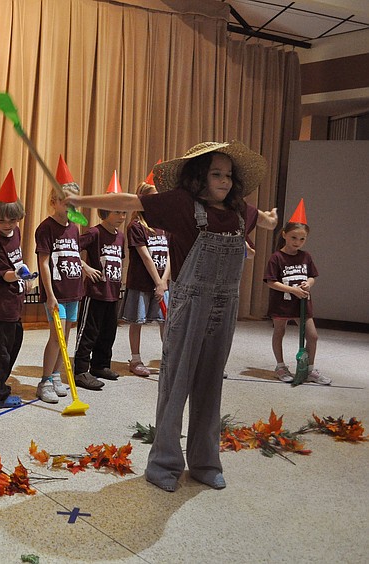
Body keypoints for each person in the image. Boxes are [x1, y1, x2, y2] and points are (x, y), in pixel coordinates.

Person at [66, 141, 278, 492]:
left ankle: (205, 462)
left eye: (228, 175)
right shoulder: (182, 205)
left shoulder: (241, 211)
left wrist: (270, 219)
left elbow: (265, 220)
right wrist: (81, 201)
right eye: (215, 174)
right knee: (176, 383)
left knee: (211, 385)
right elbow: (129, 203)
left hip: (225, 309)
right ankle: (164, 463)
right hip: (189, 305)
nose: (224, 181)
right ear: (199, 177)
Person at [34, 156, 97, 404]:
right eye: (65, 202)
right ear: (54, 202)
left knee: (67, 336)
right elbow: (44, 262)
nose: (70, 208)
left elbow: (70, 253)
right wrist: (49, 295)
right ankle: (45, 381)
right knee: (55, 336)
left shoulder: (73, 227)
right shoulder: (46, 228)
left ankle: (57, 375)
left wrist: (84, 266)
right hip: (56, 292)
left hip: (74, 291)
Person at [0, 169, 35, 409]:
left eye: (11, 220)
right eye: (1, 220)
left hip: (15, 298)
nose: (6, 224)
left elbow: (17, 259)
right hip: (3, 303)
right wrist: (19, 274)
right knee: (2, 349)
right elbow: (3, 273)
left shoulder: (16, 232)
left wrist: (26, 274)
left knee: (15, 340)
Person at [264, 199, 329, 385]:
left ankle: (309, 369)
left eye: (302, 239)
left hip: (302, 303)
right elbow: (271, 281)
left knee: (313, 336)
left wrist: (308, 284)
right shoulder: (277, 257)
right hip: (282, 303)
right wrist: (292, 290)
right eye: (294, 237)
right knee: (279, 332)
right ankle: (280, 366)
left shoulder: (306, 256)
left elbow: (312, 276)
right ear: (284, 235)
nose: (297, 242)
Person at [72, 171, 126, 386]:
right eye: (117, 212)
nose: (122, 217)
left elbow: (119, 261)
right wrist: (85, 267)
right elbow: (71, 249)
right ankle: (80, 370)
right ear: (104, 212)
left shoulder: (121, 236)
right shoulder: (94, 233)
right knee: (89, 332)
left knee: (108, 331)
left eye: (124, 212)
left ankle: (100, 364)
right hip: (95, 293)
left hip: (112, 293)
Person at [121, 178, 170, 377]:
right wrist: (157, 282)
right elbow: (145, 256)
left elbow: (170, 255)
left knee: (165, 321)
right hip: (142, 282)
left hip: (163, 283)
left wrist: (164, 281)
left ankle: (169, 357)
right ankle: (135, 358)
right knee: (137, 321)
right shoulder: (136, 226)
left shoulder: (165, 225)